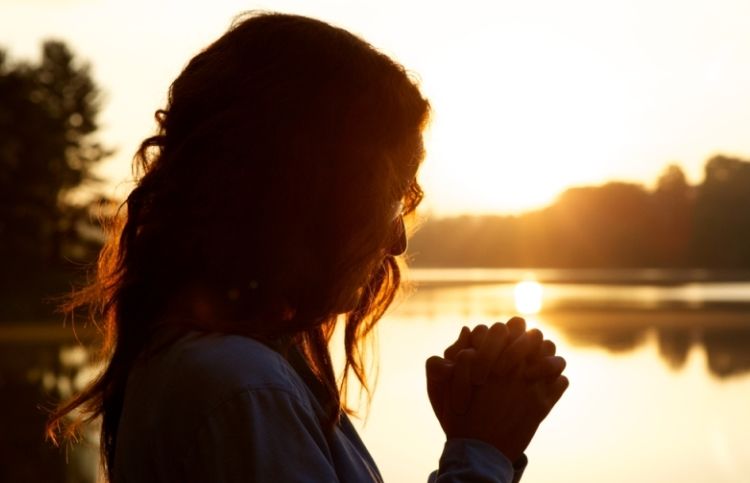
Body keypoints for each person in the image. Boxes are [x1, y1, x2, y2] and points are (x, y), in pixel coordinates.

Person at [47, 12, 569, 482]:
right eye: (388, 199)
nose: (398, 239)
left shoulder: (227, 365)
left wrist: (475, 438)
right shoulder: (243, 388)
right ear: (314, 194)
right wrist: (482, 452)